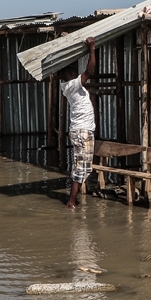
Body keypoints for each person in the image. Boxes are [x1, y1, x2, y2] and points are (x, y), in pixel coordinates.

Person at [60, 37, 97, 209]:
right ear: (68, 74)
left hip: (80, 130)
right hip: (82, 131)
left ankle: (72, 201)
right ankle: (71, 202)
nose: (76, 71)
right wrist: (91, 48)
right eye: (73, 70)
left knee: (81, 167)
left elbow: (78, 68)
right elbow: (90, 69)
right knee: (81, 168)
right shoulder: (72, 85)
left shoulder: (68, 85)